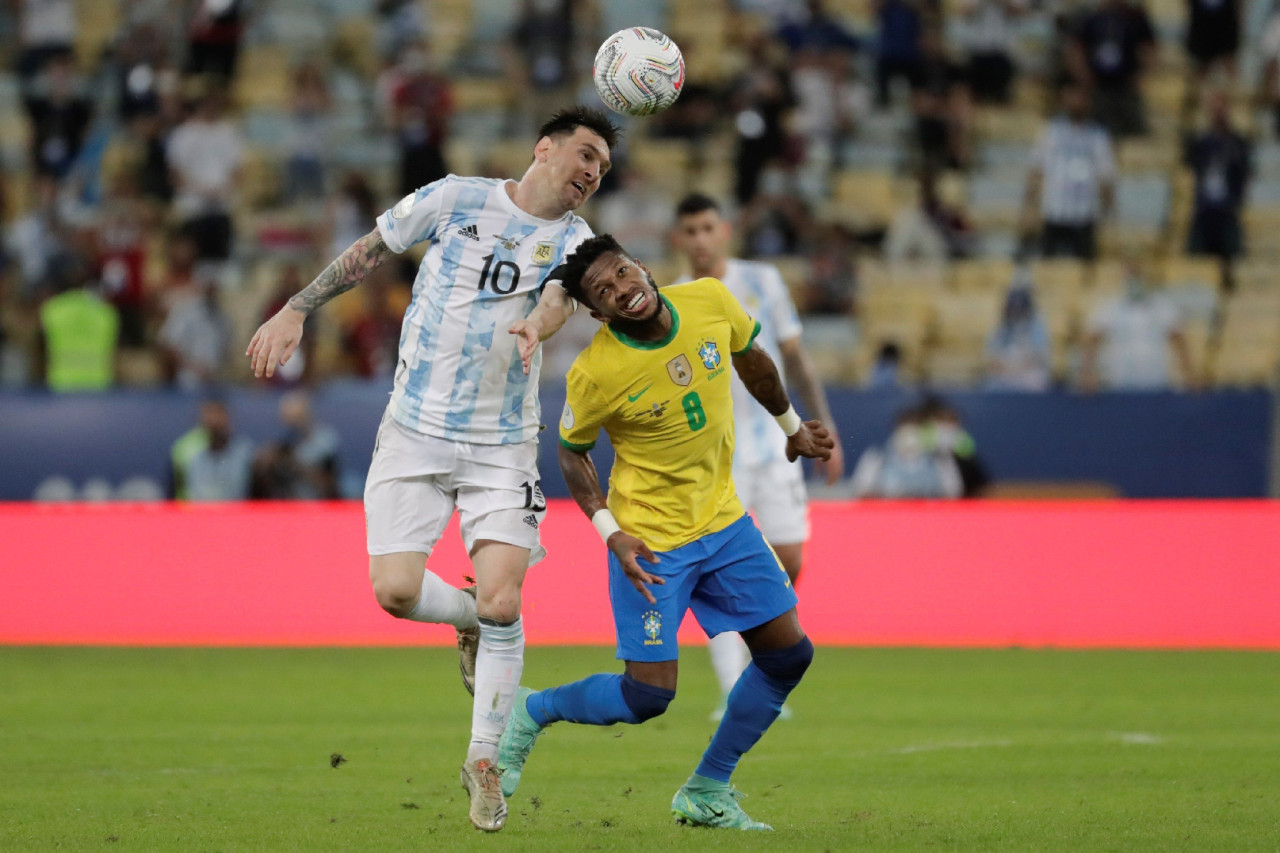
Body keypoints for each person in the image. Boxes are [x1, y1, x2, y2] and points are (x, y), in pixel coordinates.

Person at [245, 107, 618, 833]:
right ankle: (465, 619)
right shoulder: (455, 197)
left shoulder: (578, 242)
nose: (591, 172)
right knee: (394, 591)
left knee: (506, 598)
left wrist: (533, 329)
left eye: (602, 167)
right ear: (544, 148)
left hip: (502, 440)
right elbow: (369, 250)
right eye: (585, 154)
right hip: (413, 429)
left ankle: (484, 758)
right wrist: (297, 307)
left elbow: (557, 302)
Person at [496, 234, 833, 830]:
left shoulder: (709, 299)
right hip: (651, 542)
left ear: (642, 268)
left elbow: (752, 358)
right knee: (648, 697)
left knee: (788, 655)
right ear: (597, 314)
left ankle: (707, 789)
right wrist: (610, 532)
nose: (622, 289)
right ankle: (534, 709)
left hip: (724, 522)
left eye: (622, 273)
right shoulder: (596, 372)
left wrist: (790, 426)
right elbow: (573, 454)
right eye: (604, 292)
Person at [671, 193, 844, 720]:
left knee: (788, 559)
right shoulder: (673, 298)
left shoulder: (762, 281)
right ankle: (735, 688)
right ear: (679, 239)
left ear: (725, 230)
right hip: (715, 456)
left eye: (708, 228)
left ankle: (752, 651)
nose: (700, 239)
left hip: (776, 447)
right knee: (719, 569)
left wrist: (824, 424)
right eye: (690, 231)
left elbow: (794, 354)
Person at [1022, 84, 1115, 261]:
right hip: (1055, 212)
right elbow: (1036, 169)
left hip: (1085, 215)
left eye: (1081, 97)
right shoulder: (1052, 131)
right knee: (1049, 268)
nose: (1077, 102)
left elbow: (1107, 177)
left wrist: (1108, 213)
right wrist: (1029, 206)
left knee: (1084, 269)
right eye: (1072, 96)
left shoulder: (1098, 136)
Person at [1080, 262, 1196, 391]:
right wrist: (1087, 373)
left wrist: (1189, 374)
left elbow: (1180, 340)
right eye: (1130, 278)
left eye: (1137, 277)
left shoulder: (1162, 306)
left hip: (1156, 381)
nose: (1134, 282)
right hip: (1120, 382)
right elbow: (1092, 340)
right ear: (1123, 280)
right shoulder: (1109, 307)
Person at [1184, 91, 1250, 260]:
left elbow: (1243, 171)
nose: (1218, 112)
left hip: (1227, 209)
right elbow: (1189, 165)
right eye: (1214, 108)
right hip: (1204, 209)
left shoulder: (1236, 142)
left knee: (1233, 256)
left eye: (1221, 107)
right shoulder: (1201, 142)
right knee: (1196, 261)